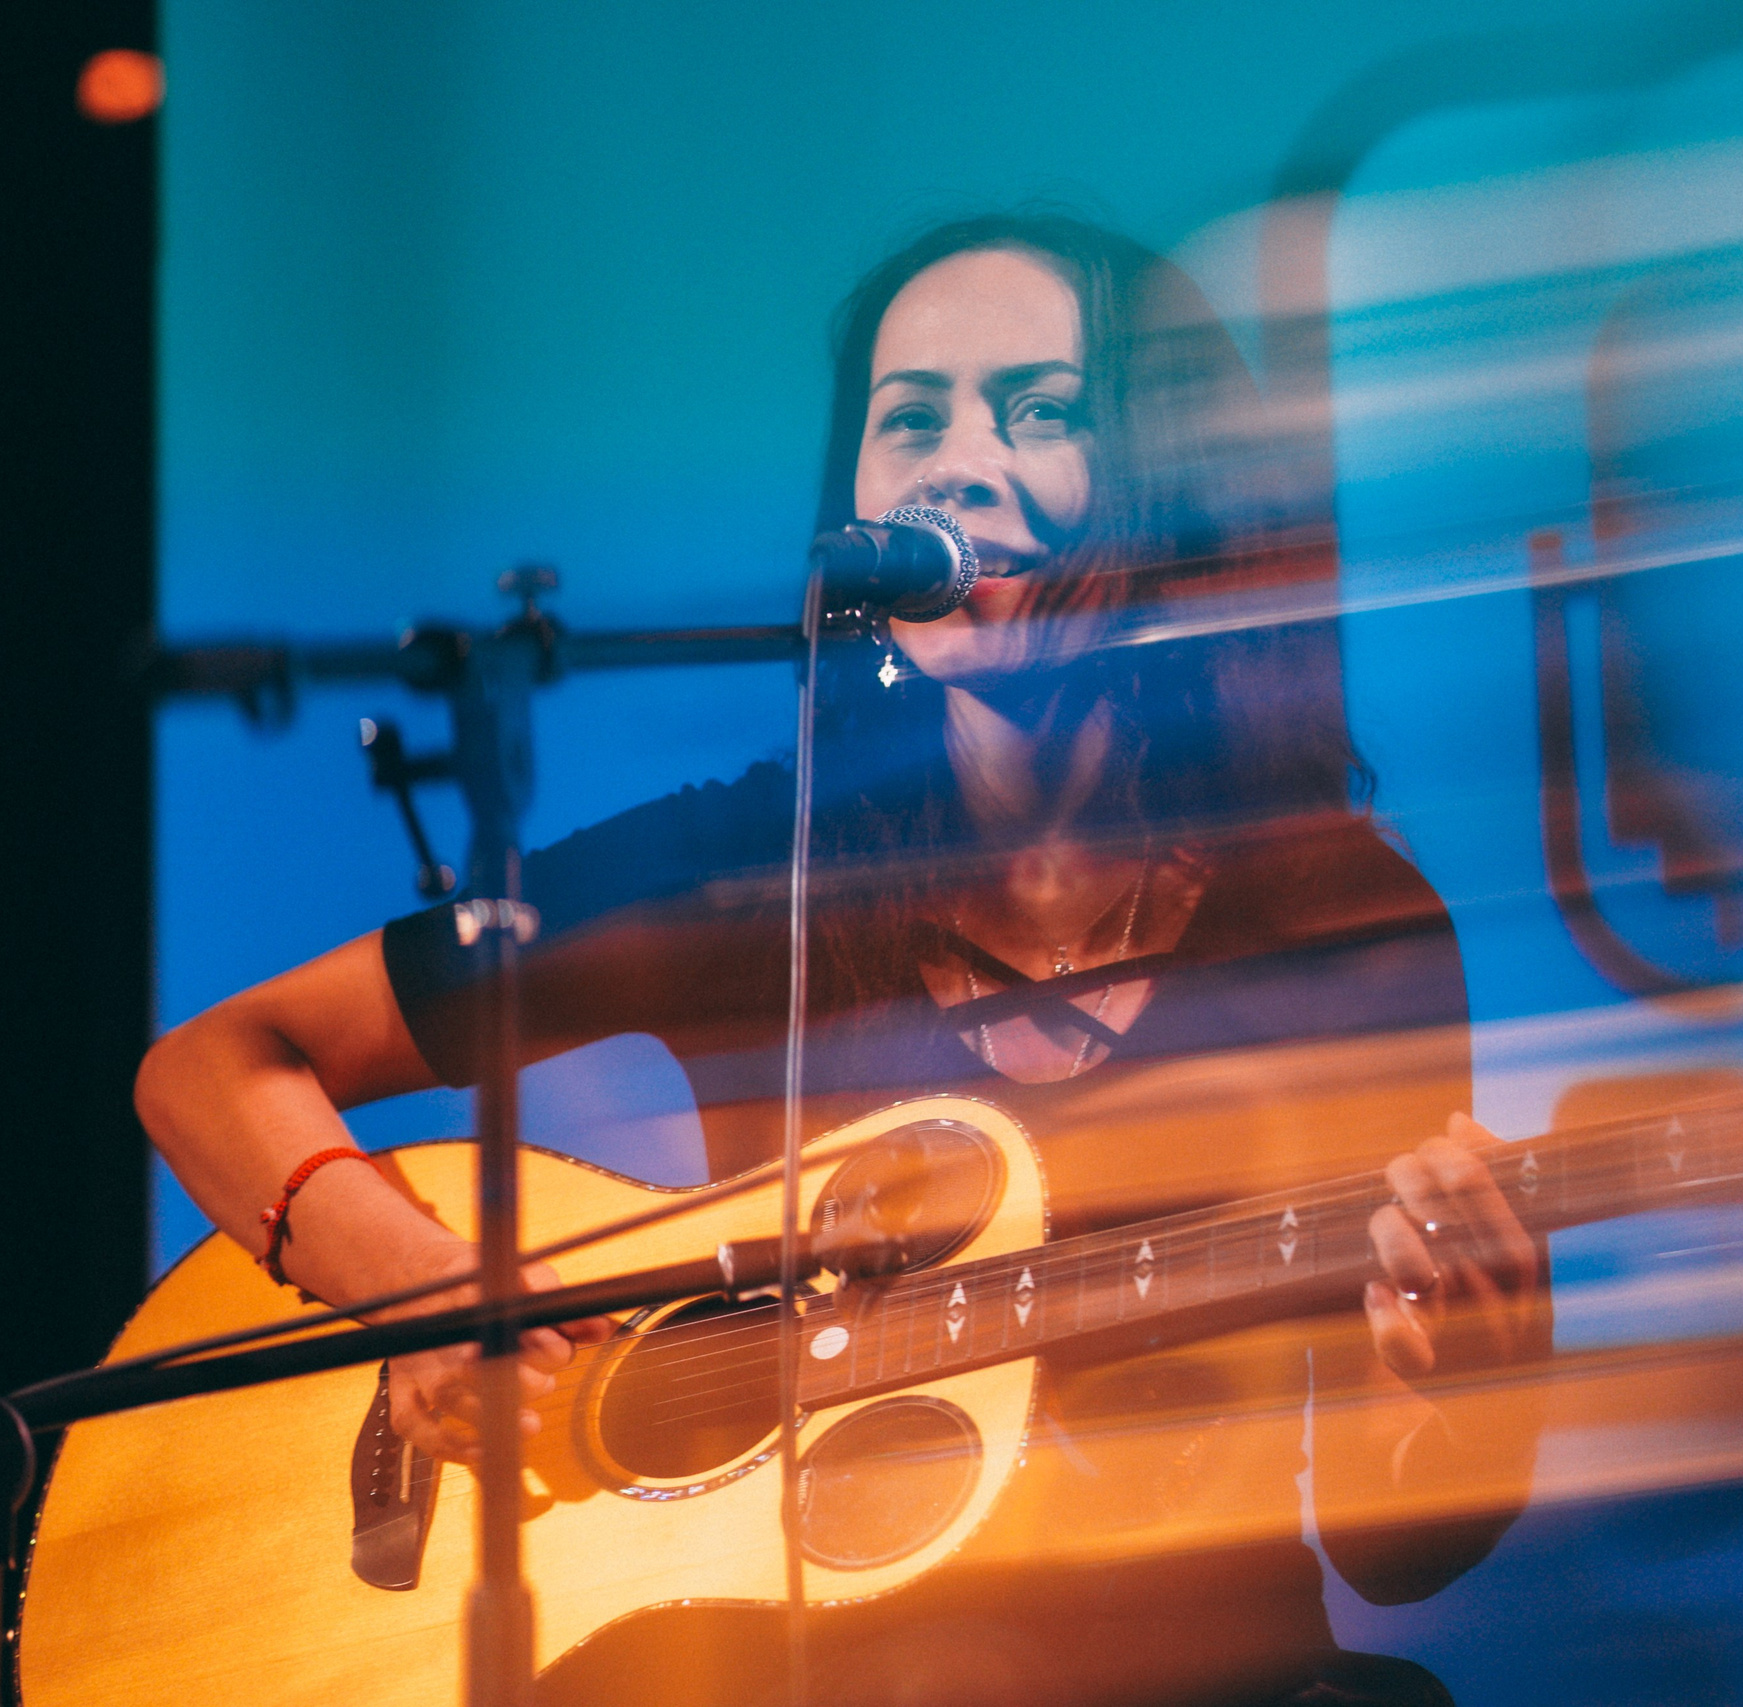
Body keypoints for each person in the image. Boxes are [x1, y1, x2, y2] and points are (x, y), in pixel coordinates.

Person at [137, 213, 1550, 1707]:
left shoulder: (1338, 918)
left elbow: (1395, 1551)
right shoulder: (756, 867)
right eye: (911, 421)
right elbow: (211, 1069)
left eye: (1044, 410)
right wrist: (425, 1291)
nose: (958, 460)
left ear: (1165, 488)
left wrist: (1466, 1374)